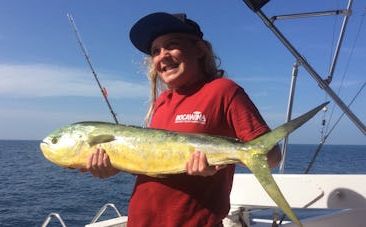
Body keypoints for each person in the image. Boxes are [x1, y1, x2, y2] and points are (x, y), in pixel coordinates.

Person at [85, 12, 281, 227]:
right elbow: (156, 161)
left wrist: (217, 163)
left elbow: (271, 157)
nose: (162, 56)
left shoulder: (223, 90)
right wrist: (113, 166)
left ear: (199, 49)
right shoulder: (162, 102)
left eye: (172, 45)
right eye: (155, 51)